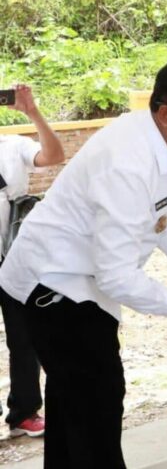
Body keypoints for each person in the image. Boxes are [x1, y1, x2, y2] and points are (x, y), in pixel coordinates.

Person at [0, 58, 167, 468]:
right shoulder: (128, 161)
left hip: (79, 283)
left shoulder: (157, 140)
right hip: (54, 289)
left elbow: (161, 215)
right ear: (166, 112)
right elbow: (118, 277)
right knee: (96, 407)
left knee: (75, 408)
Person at [0, 84, 65, 439]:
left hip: (14, 257)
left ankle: (24, 411)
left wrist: (33, 113)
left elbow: (54, 156)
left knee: (24, 338)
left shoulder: (13, 146)